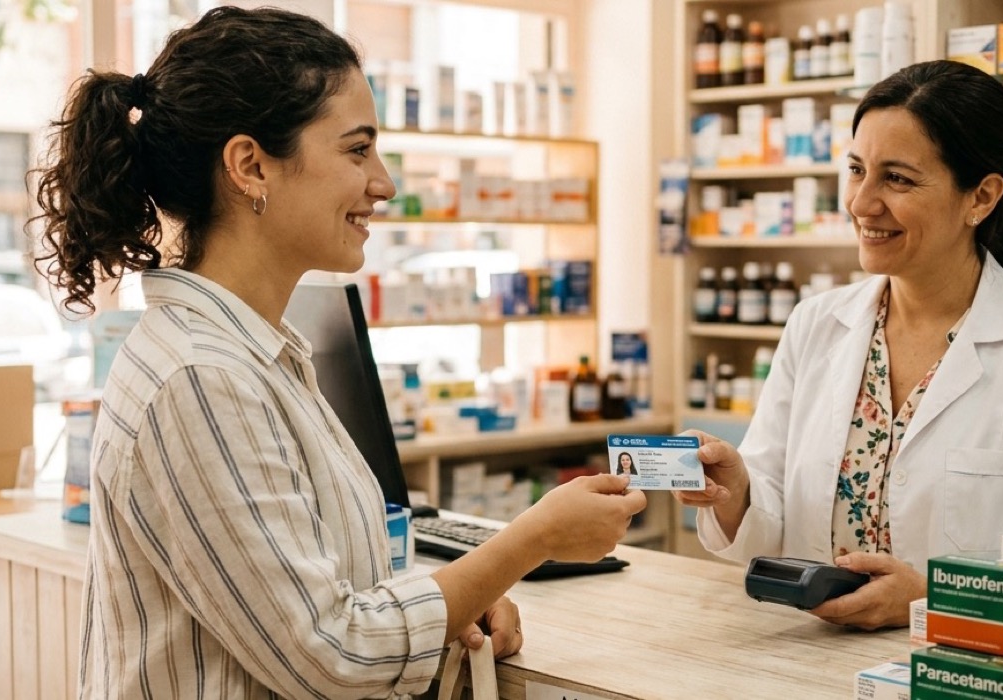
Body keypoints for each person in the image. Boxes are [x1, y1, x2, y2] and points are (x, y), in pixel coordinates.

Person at [33, 7, 646, 698]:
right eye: (357, 151)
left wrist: (454, 598)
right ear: (250, 167)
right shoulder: (200, 379)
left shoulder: (255, 353)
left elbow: (303, 584)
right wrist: (530, 541)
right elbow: (333, 653)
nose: (384, 183)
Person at [673, 60, 1003, 631]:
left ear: (981, 196)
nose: (861, 203)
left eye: (897, 179)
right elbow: (772, 524)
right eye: (856, 170)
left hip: (962, 665)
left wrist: (933, 600)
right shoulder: (815, 325)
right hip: (805, 657)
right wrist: (736, 491)